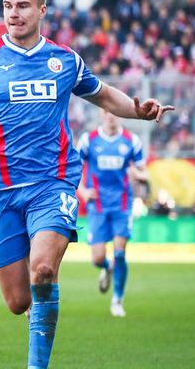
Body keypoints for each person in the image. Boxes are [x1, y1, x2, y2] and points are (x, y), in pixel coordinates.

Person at [0, 0, 173, 369]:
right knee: (18, 302)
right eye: (8, 5)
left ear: (42, 9)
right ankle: (32, 304)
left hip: (53, 181)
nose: (14, 13)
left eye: (23, 5)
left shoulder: (64, 60)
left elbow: (103, 94)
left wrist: (138, 111)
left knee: (43, 269)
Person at [76, 110, 147, 317]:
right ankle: (106, 268)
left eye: (115, 112)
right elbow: (74, 168)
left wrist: (138, 174)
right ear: (101, 114)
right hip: (97, 205)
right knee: (98, 258)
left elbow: (145, 172)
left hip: (122, 205)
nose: (111, 116)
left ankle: (117, 300)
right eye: (107, 112)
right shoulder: (89, 140)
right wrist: (82, 191)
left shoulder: (131, 141)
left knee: (120, 252)